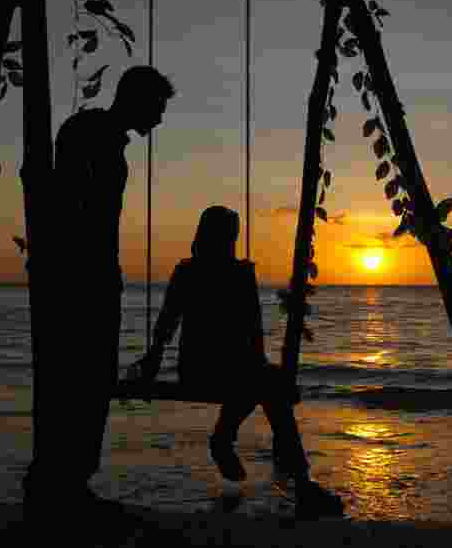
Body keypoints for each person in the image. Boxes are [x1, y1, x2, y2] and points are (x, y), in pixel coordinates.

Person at [23, 65, 176, 517]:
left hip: (87, 272)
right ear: (139, 100)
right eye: (158, 108)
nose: (161, 119)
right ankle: (61, 483)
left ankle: (63, 480)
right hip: (80, 275)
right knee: (82, 380)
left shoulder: (96, 134)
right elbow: (71, 202)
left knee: (82, 380)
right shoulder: (91, 135)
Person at [137, 206, 344, 519]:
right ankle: (296, 479)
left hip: (208, 368)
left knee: (267, 383)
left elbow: (246, 331)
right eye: (229, 235)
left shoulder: (198, 272)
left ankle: (233, 442)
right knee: (269, 384)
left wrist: (154, 357)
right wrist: (151, 361)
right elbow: (172, 322)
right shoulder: (214, 273)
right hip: (204, 370)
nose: (230, 241)